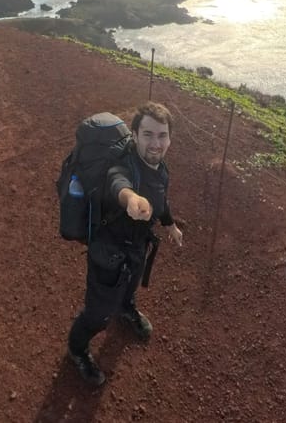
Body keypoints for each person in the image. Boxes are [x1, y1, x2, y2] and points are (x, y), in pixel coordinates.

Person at [66, 101, 185, 386]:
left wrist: (169, 224)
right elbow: (117, 183)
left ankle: (126, 307)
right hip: (108, 253)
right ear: (134, 135)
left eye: (162, 135)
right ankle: (77, 348)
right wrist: (131, 199)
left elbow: (160, 199)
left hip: (136, 246)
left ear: (169, 138)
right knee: (97, 313)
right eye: (148, 134)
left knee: (130, 285)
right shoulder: (124, 166)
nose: (156, 144)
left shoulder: (160, 168)